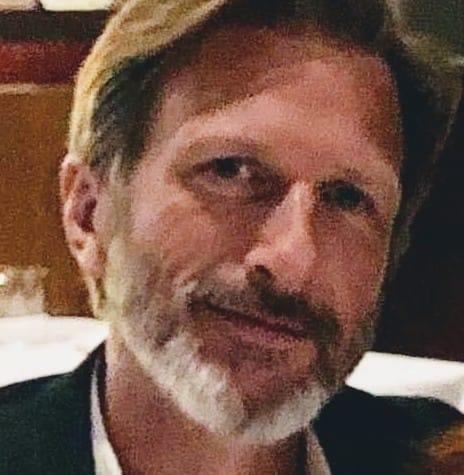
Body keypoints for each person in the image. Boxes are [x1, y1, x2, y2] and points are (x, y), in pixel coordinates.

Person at [1, 1, 463, 474]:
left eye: (347, 198)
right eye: (229, 170)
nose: (293, 260)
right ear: (88, 213)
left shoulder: (436, 460)